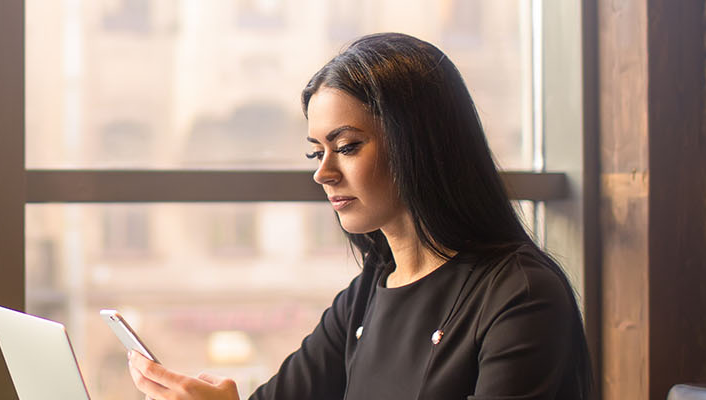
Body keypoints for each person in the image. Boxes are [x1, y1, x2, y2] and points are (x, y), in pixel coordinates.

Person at [126, 33, 592, 400]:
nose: (324, 174)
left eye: (346, 147)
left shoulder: (522, 297)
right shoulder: (369, 291)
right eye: (316, 152)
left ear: (419, 145)